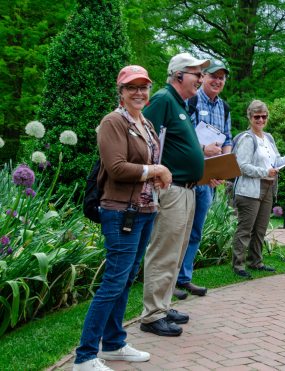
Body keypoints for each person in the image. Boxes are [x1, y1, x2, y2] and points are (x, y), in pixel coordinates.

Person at [73, 65, 172, 371]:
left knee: (126, 279)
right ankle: (85, 356)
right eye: (132, 87)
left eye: (144, 87)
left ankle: (114, 344)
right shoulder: (112, 122)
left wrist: (154, 176)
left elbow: (147, 163)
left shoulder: (146, 123)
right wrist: (155, 171)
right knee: (113, 282)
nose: (139, 93)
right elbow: (116, 167)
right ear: (121, 92)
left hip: (144, 210)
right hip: (120, 211)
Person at [140, 53, 209, 337]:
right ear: (179, 75)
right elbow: (143, 139)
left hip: (188, 189)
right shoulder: (162, 100)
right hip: (172, 190)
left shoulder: (179, 104)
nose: (201, 80)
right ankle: (152, 315)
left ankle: (164, 306)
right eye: (197, 74)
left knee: (176, 251)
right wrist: (155, 173)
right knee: (163, 252)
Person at [174, 59, 232, 300]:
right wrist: (202, 148)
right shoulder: (191, 101)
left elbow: (228, 139)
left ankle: (184, 278)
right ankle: (169, 278)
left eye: (222, 77)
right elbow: (180, 137)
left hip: (209, 180)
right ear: (203, 77)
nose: (217, 81)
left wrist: (221, 169)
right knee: (178, 230)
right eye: (213, 76)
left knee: (196, 230)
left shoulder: (224, 107)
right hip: (187, 177)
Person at [232, 100, 285, 278]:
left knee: (260, 229)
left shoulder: (268, 137)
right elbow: (242, 166)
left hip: (268, 188)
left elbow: (275, 161)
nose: (261, 120)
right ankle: (238, 265)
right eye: (257, 117)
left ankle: (256, 261)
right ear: (250, 117)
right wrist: (265, 172)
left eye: (264, 116)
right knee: (245, 229)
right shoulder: (247, 139)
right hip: (249, 189)